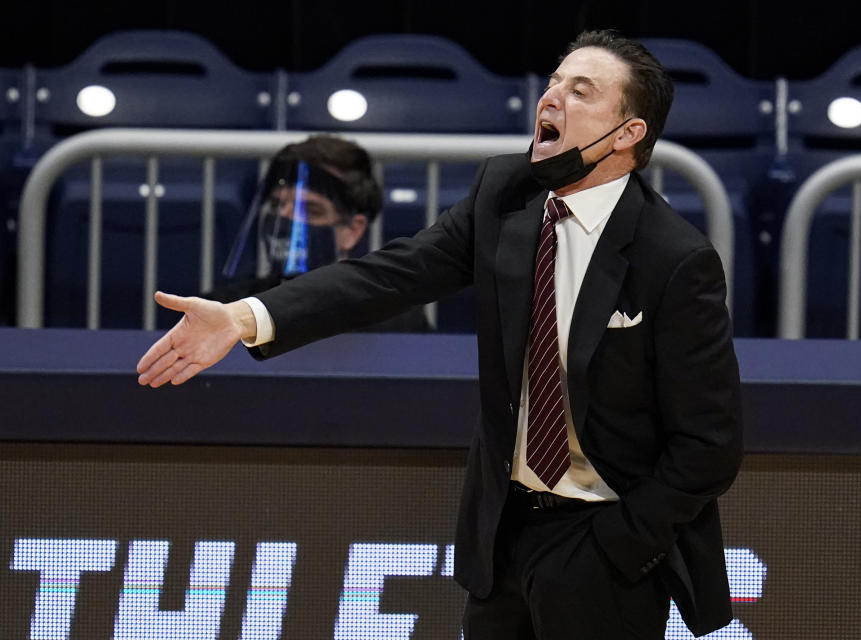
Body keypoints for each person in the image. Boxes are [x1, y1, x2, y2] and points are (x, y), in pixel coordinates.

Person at [137, 29, 742, 640]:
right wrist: (242, 316)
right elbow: (389, 275)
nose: (552, 97)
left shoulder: (675, 258)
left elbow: (709, 444)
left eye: (580, 91)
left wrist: (621, 540)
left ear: (628, 134)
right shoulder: (503, 198)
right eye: (555, 81)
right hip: (503, 534)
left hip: (603, 544)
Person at [205, 133, 430, 333]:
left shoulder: (394, 321)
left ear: (352, 230)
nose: (285, 217)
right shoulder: (224, 310)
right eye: (276, 205)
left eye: (310, 210)